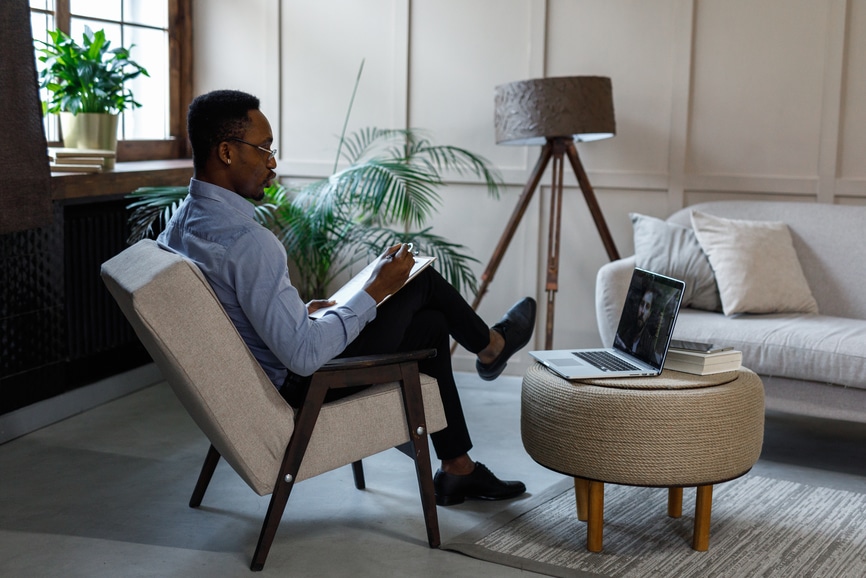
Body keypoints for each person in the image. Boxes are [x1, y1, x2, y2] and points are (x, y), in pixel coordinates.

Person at [157, 89, 536, 506]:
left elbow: (230, 316)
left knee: (430, 325)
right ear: (226, 152)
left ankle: (458, 469)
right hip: (304, 384)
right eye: (263, 148)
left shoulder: (181, 224)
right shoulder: (249, 243)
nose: (272, 161)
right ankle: (492, 347)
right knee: (420, 283)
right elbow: (303, 356)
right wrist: (376, 289)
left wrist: (299, 312)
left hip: (270, 371)